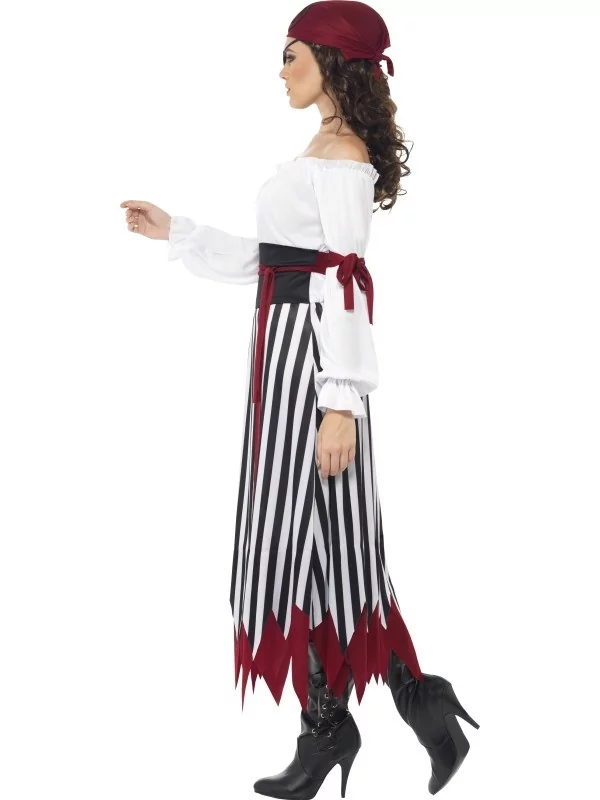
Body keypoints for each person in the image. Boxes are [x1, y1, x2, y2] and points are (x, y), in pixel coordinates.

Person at [120, 2, 479, 798]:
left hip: (314, 369)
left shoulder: (342, 158)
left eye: (291, 56)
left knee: (321, 543)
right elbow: (276, 260)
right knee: (323, 543)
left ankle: (346, 723)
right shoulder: (319, 148)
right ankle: (392, 710)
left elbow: (344, 279)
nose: (280, 71)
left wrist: (341, 402)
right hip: (283, 364)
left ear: (330, 60)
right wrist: (177, 232)